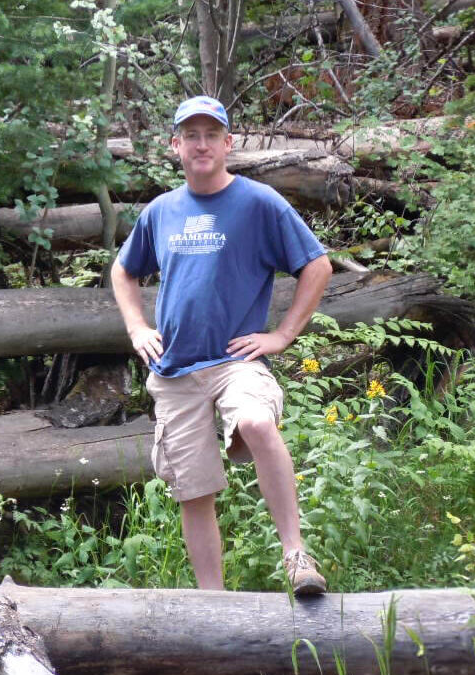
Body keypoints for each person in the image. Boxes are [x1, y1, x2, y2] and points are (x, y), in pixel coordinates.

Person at [110, 96, 332, 594]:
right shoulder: (161, 211)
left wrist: (282, 335)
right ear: (176, 145)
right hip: (174, 371)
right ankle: (214, 603)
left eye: (212, 135)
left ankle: (296, 555)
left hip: (235, 361)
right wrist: (137, 329)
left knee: (256, 420)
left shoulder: (258, 203)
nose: (202, 144)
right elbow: (123, 271)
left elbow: (316, 266)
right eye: (191, 135)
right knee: (194, 490)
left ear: (229, 143)